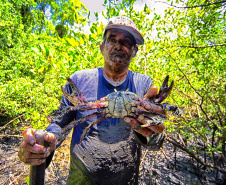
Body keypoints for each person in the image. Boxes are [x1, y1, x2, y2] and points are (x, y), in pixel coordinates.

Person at [18, 16, 166, 185]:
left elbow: (156, 142)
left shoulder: (144, 84)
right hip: (81, 180)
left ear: (134, 51)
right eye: (112, 40)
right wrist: (46, 142)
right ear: (102, 47)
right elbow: (60, 122)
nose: (118, 46)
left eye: (126, 42)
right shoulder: (80, 80)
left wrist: (152, 131)